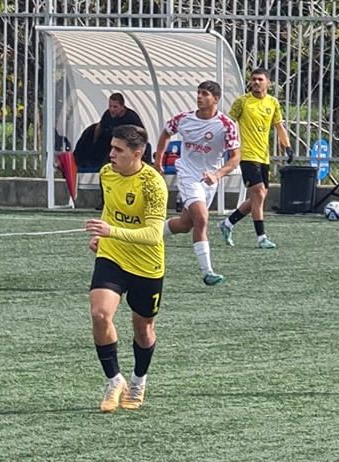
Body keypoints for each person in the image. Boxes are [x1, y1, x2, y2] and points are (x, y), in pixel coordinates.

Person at [84, 124, 167, 413]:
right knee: (99, 314)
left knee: (143, 330)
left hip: (146, 264)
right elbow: (111, 209)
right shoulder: (107, 174)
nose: (111, 154)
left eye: (118, 150)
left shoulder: (153, 184)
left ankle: (138, 381)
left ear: (137, 154)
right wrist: (103, 236)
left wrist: (112, 231)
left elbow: (154, 235)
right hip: (113, 255)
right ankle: (114, 380)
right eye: (111, 148)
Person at [155, 81, 241, 286]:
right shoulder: (184, 118)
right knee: (202, 218)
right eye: (199, 93)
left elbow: (235, 158)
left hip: (209, 179)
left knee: (185, 225)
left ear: (216, 99)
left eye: (205, 94)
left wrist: (217, 175)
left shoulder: (226, 125)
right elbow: (166, 132)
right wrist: (158, 160)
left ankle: (150, 235)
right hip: (188, 174)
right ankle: (207, 272)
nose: (199, 97)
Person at [218, 68, 292, 249]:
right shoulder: (242, 102)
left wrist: (288, 147)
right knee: (258, 194)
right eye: (254, 79)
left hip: (263, 157)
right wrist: (229, 147)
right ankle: (261, 238)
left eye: (260, 79)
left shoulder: (273, 103)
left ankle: (227, 223)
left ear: (268, 83)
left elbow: (279, 127)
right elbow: (228, 124)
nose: (256, 82)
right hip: (247, 155)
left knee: (257, 199)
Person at [73, 93, 145, 210]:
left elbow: (141, 136)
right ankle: (105, 201)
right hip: (112, 150)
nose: (112, 109)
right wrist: (94, 143)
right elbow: (99, 127)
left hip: (128, 152)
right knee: (105, 171)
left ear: (123, 107)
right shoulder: (108, 115)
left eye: (115, 107)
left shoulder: (131, 118)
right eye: (110, 106)